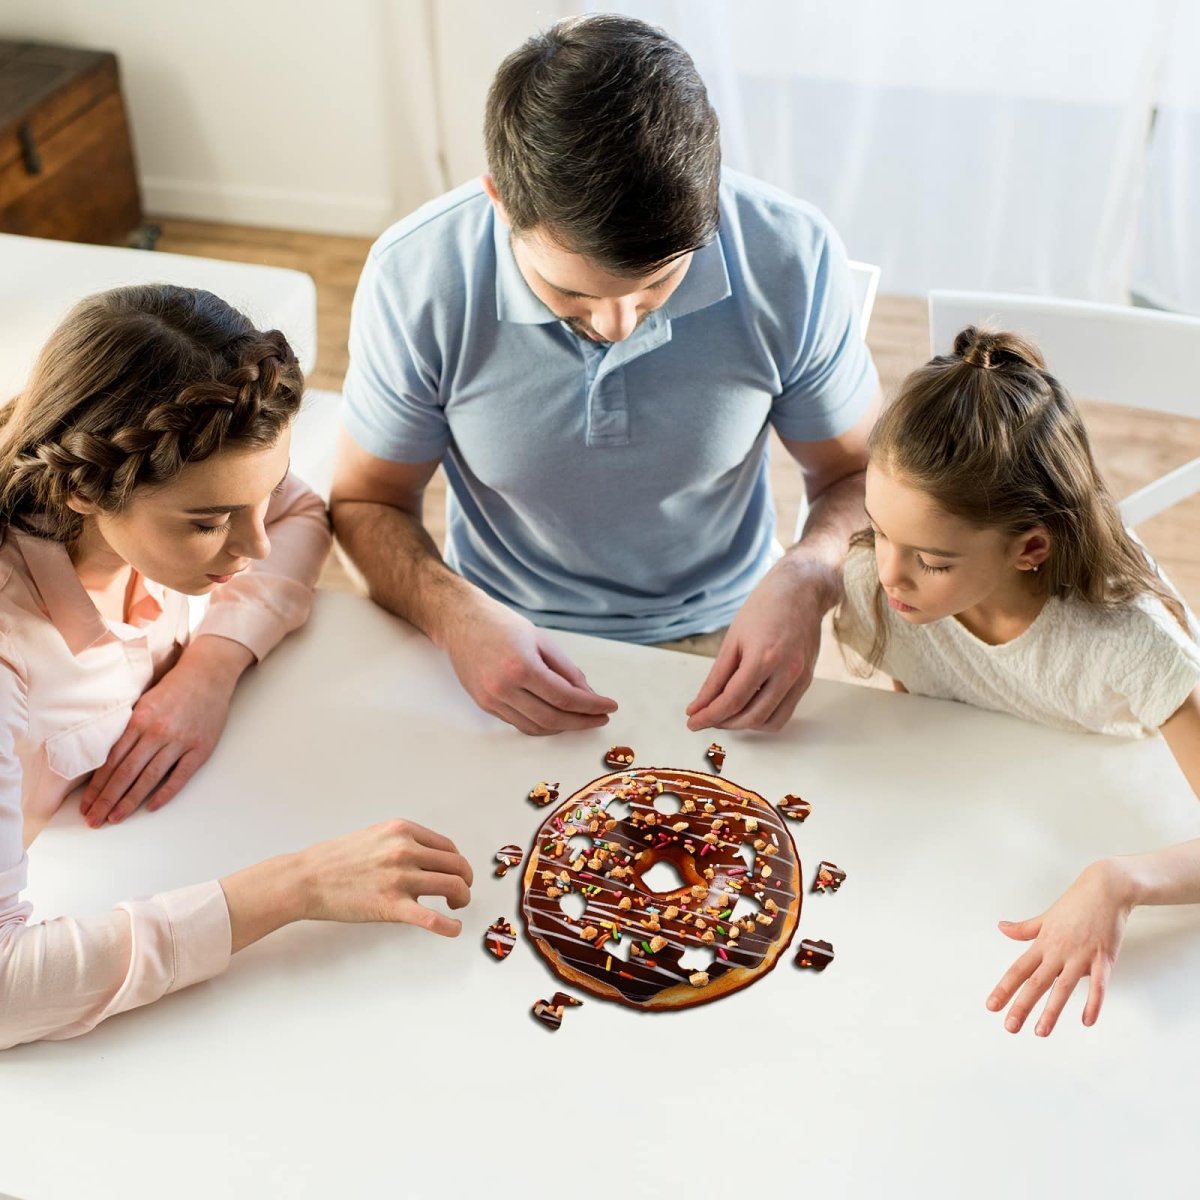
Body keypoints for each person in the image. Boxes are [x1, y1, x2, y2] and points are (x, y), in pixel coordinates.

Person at [330, 14, 881, 737]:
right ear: (500, 202)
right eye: (574, 296)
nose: (619, 325)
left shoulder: (790, 255)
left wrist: (808, 580)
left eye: (657, 288)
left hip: (730, 629)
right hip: (494, 632)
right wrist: (452, 614)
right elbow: (367, 503)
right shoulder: (416, 277)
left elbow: (861, 479)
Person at [0, 285, 472, 1050]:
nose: (250, 549)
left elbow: (296, 514)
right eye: (208, 522)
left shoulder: (174, 482)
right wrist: (297, 886)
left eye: (256, 496)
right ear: (83, 488)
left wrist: (210, 669)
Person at [834, 325, 1200, 1037]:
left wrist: (1118, 881)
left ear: (1031, 548)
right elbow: (932, 716)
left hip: (1129, 798)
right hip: (991, 833)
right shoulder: (879, 592)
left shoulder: (1131, 644)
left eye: (932, 561)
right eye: (879, 531)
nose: (888, 575)